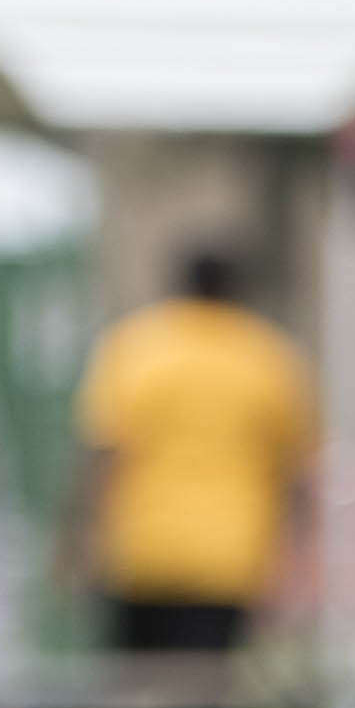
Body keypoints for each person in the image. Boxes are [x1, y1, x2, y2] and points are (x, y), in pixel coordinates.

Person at [68, 251, 313, 656]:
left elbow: (103, 455)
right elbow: (297, 471)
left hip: (139, 553)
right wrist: (295, 560)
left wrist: (79, 540)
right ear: (238, 290)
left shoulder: (134, 349)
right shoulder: (270, 358)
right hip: (229, 559)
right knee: (204, 695)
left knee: (134, 692)